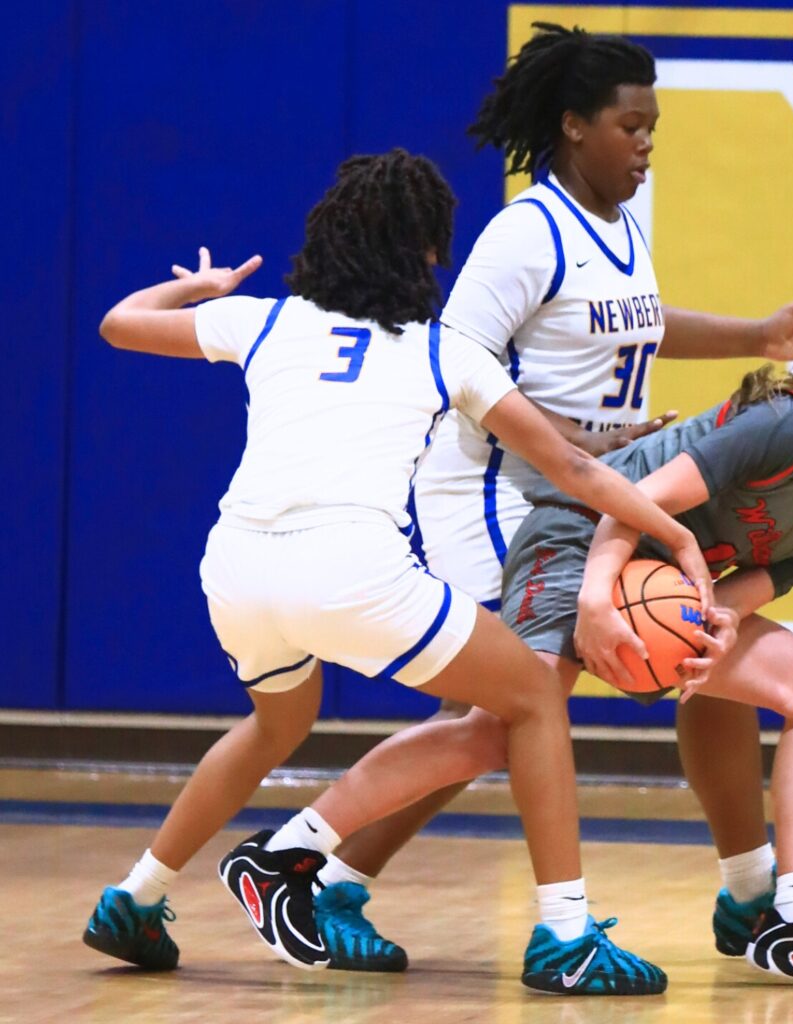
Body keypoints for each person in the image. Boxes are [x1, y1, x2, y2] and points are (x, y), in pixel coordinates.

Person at [81, 148, 716, 997]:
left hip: (235, 568)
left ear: (329, 237)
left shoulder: (263, 320)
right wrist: (669, 529)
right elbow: (574, 470)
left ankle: (137, 895)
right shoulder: (441, 350)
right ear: (427, 253)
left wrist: (204, 291)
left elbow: (118, 323)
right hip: (349, 568)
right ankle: (565, 932)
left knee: (275, 725)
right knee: (531, 696)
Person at [320, 21, 793, 971]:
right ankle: (329, 875)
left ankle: (751, 891)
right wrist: (579, 442)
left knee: (691, 640)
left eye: (654, 127)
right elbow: (453, 364)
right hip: (496, 496)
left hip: (583, 492)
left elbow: (642, 327)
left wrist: (762, 335)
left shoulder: (613, 228)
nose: (647, 144)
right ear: (574, 126)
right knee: (512, 713)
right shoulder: (524, 233)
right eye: (631, 126)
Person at [499, 335, 793, 985]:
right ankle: (316, 863)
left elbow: (731, 601)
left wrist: (718, 631)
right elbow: (632, 501)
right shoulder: (790, 427)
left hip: (656, 578)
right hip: (583, 538)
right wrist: (597, 600)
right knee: (497, 730)